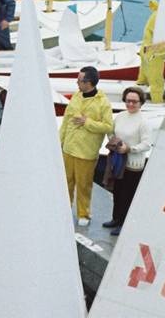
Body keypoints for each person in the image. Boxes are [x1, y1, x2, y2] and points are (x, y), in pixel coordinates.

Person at [59, 66, 113, 227]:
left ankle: (84, 213)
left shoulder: (103, 103)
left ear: (88, 83)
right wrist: (60, 141)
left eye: (79, 80)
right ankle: (63, 209)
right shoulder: (77, 96)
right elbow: (67, 120)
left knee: (83, 185)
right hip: (69, 148)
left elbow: (108, 126)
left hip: (86, 152)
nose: (77, 83)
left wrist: (87, 122)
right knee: (65, 182)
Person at [103, 86, 153, 236]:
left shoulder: (143, 122)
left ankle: (124, 223)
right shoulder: (120, 116)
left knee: (128, 195)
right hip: (118, 161)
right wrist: (114, 143)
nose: (131, 104)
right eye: (128, 101)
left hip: (133, 165)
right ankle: (116, 218)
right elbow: (111, 131)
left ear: (141, 103)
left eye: (134, 102)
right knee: (117, 191)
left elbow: (147, 144)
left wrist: (130, 149)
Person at [136, 0, 165, 102]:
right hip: (154, 53)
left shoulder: (156, 14)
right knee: (157, 82)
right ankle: (157, 102)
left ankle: (139, 88)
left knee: (144, 74)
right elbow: (161, 34)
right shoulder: (161, 17)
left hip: (146, 50)